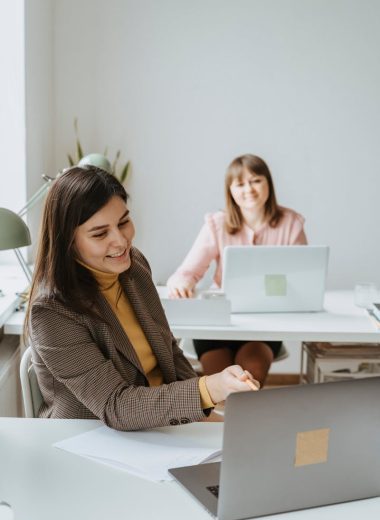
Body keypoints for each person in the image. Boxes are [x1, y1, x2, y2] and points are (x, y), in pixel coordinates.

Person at [24, 166, 259, 431]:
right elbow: (116, 406)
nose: (121, 241)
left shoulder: (133, 266)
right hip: (93, 435)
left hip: (157, 425)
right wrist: (209, 388)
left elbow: (168, 351)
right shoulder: (52, 311)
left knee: (250, 439)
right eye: (100, 234)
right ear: (67, 241)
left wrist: (206, 406)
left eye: (123, 222)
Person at [167, 154, 307, 386]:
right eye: (240, 184)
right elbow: (186, 273)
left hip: (264, 324)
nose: (248, 189)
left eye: (255, 181)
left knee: (249, 379)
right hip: (219, 321)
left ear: (268, 183)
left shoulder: (290, 223)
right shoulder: (217, 224)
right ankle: (228, 422)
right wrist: (181, 282)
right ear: (230, 190)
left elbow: (302, 277)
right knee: (222, 384)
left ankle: (243, 421)